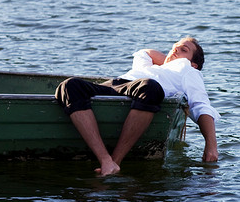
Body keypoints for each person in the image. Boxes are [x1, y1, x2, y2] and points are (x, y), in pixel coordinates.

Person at [55, 37, 219, 176]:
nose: (175, 50)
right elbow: (144, 52)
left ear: (194, 64)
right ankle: (105, 160)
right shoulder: (152, 66)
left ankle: (115, 161)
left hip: (146, 90)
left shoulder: (189, 71)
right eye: (173, 47)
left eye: (183, 49)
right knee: (69, 85)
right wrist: (171, 59)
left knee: (151, 87)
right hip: (118, 85)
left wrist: (211, 145)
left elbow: (201, 105)